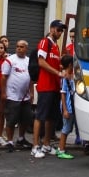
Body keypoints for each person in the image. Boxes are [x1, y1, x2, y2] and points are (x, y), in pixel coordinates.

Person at [30, 19, 67, 159]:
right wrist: (57, 72)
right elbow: (41, 62)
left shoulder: (56, 46)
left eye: (61, 30)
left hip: (55, 86)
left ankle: (46, 144)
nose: (60, 32)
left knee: (51, 117)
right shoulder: (45, 42)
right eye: (58, 30)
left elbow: (54, 64)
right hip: (45, 85)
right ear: (52, 29)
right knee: (40, 116)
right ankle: (35, 147)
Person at [2, 39, 34, 151]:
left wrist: (32, 93)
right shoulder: (10, 60)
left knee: (25, 119)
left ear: (26, 48)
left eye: (21, 47)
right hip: (12, 96)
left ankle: (21, 138)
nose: (19, 48)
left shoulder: (29, 61)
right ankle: (10, 141)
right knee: (11, 119)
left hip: (25, 96)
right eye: (17, 46)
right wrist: (4, 92)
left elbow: (30, 79)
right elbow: (4, 77)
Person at [57, 54, 76, 159]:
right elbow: (63, 93)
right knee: (66, 129)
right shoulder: (65, 78)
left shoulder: (71, 76)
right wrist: (65, 109)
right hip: (68, 106)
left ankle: (61, 148)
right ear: (70, 64)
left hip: (71, 106)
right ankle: (61, 149)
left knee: (68, 128)